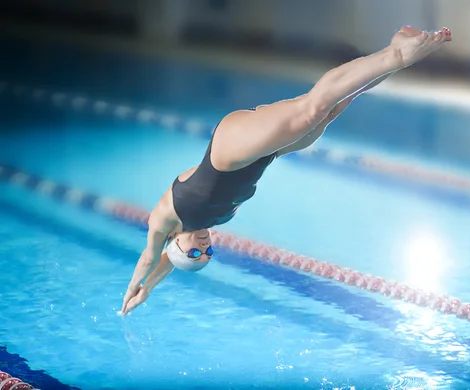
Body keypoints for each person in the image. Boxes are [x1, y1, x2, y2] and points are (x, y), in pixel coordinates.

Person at [120, 25, 452, 315]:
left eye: (195, 250)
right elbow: (174, 260)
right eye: (207, 253)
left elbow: (153, 260)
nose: (204, 246)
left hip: (229, 150)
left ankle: (400, 54)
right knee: (333, 108)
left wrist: (139, 288)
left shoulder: (165, 219)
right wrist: (160, 281)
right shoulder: (210, 223)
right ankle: (396, 48)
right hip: (267, 154)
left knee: (311, 109)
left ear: (173, 241)